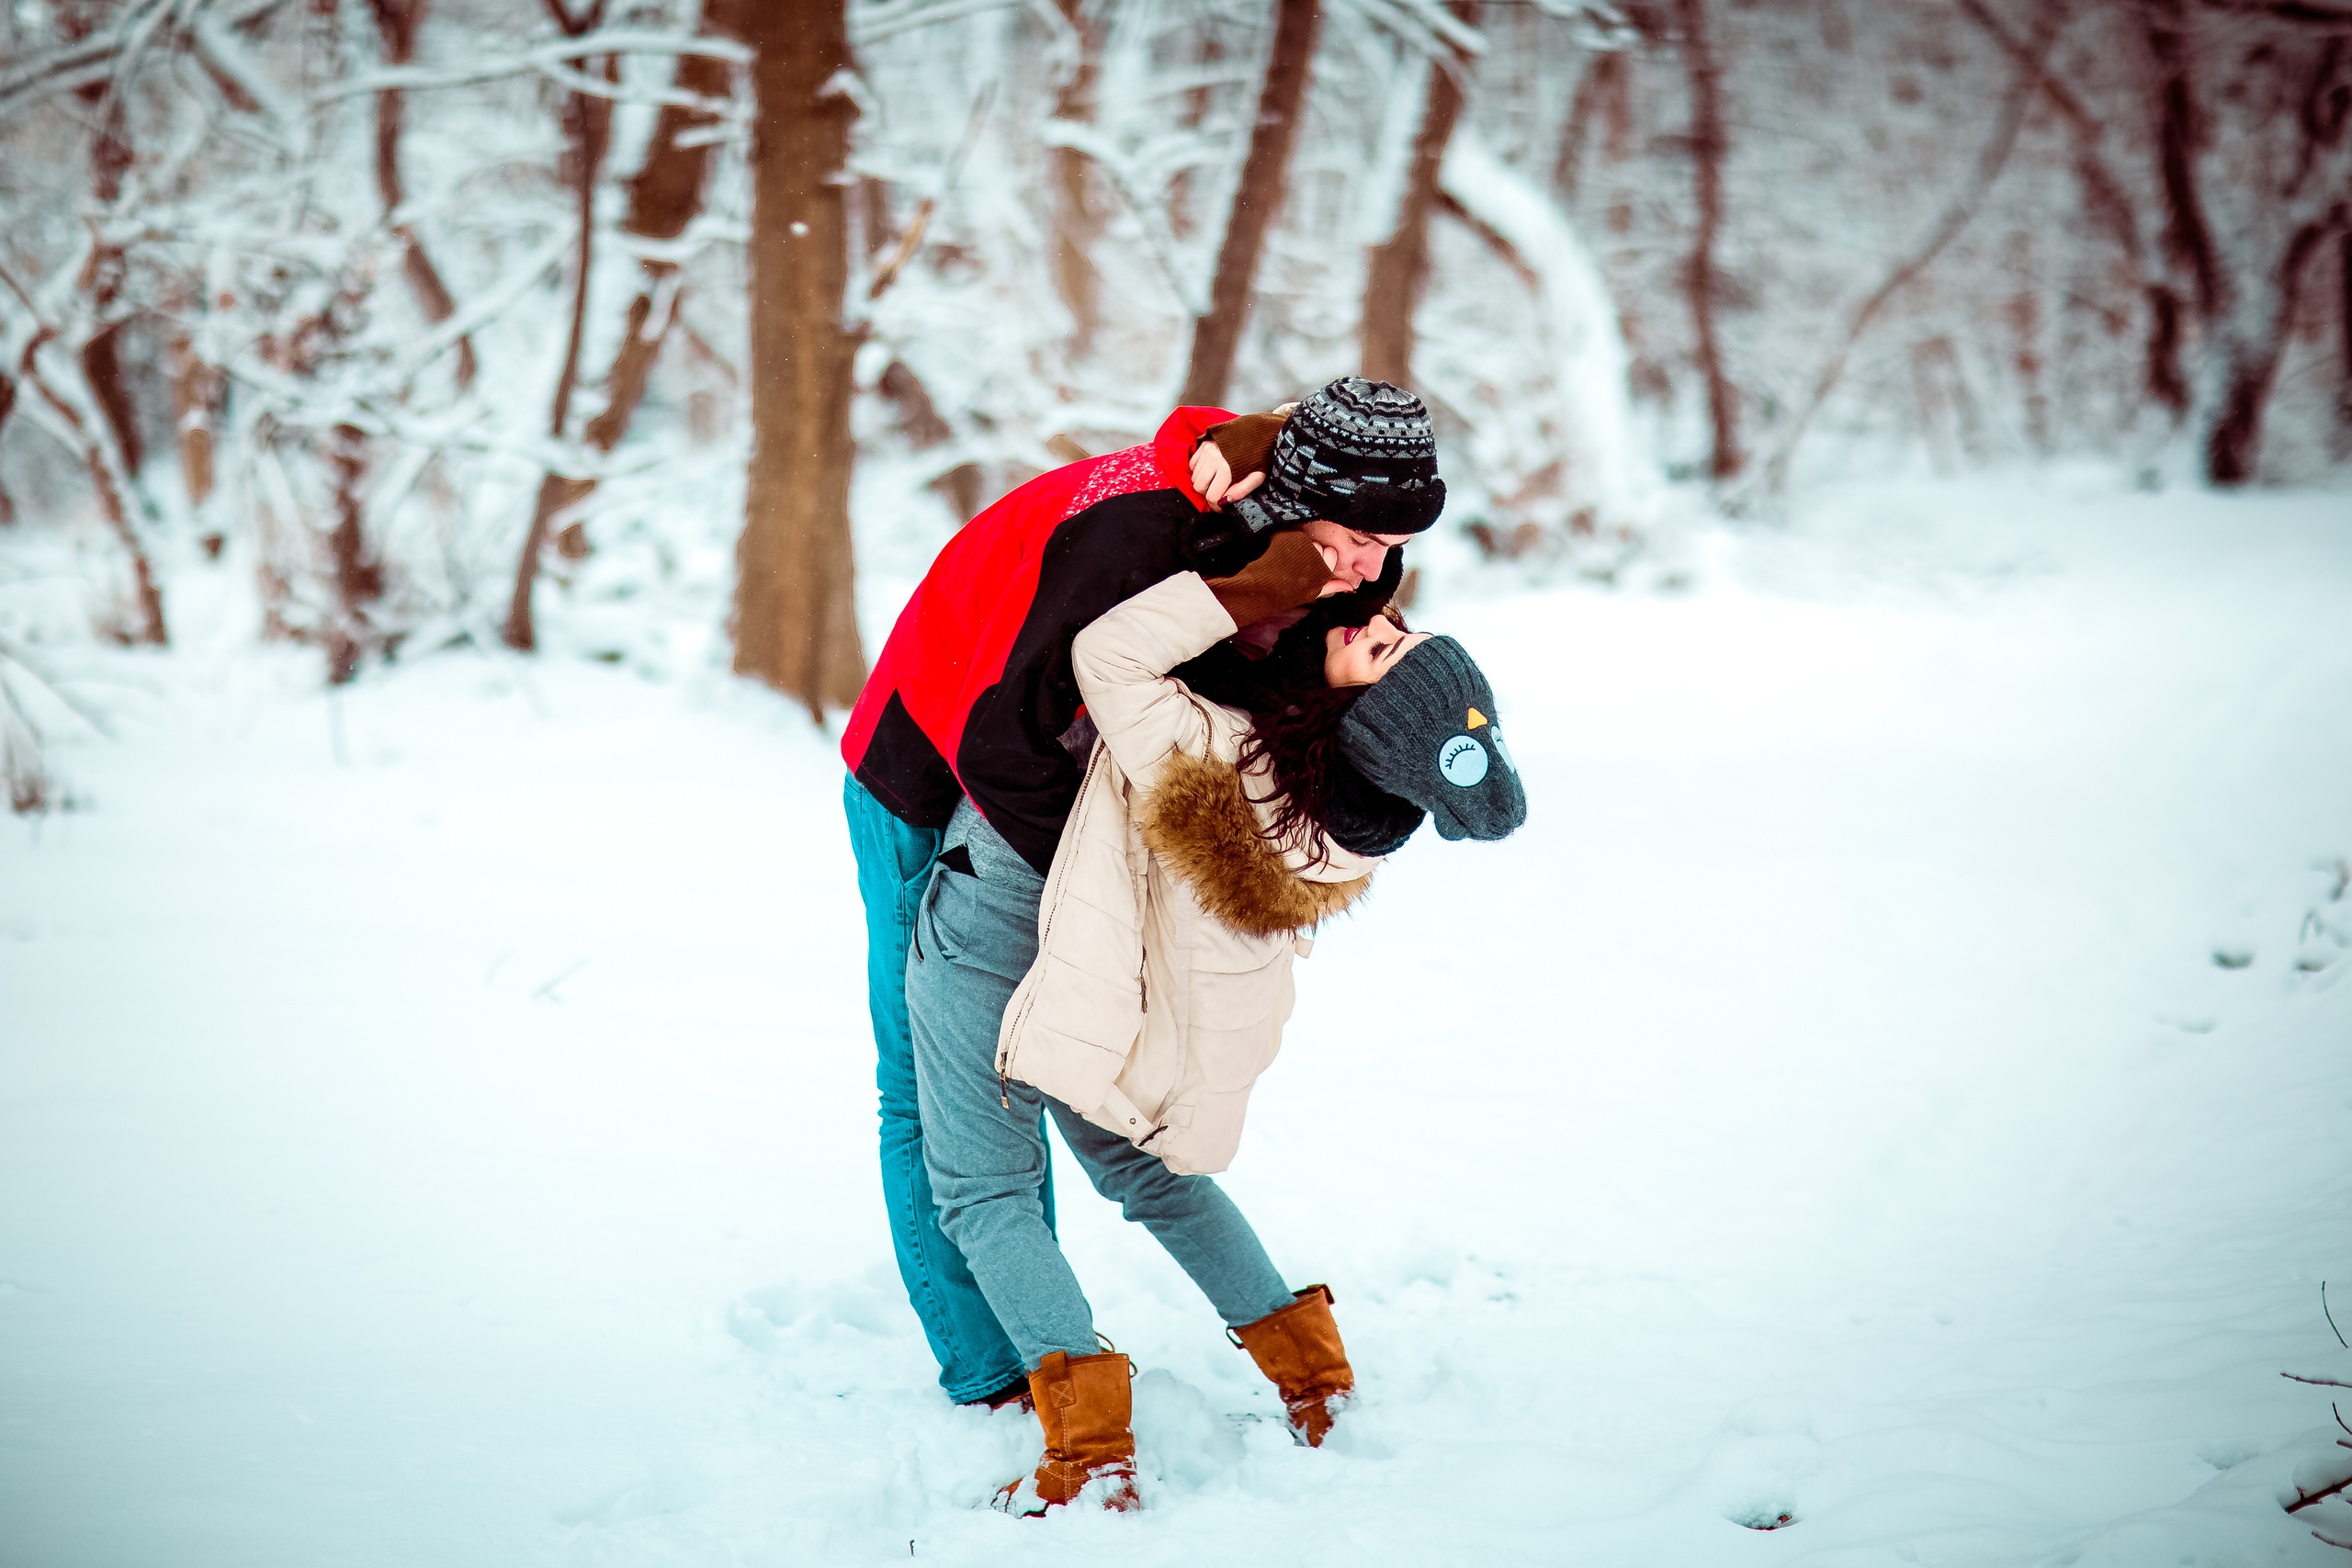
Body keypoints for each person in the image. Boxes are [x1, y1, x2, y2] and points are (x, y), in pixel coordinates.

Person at [843, 380, 1444, 1412]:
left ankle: (1026, 1377)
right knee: (986, 1106)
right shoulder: (1135, 544)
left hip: (1065, 832)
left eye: (1390, 545)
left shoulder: (1312, 570)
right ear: (1288, 496)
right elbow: (997, 741)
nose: (1369, 573)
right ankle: (1006, 1365)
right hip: (930, 759)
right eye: (1355, 537)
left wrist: (1109, 881)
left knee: (977, 1117)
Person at [910, 530, 1527, 1515]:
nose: (1369, 622)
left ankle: (1091, 1451)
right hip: (1128, 982)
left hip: (1015, 920)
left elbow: (1103, 656)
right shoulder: (1343, 823)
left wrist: (1251, 588)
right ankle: (1314, 1381)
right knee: (1147, 1173)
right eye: (1397, 627)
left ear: (1354, 718)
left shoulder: (1215, 749)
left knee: (984, 1189)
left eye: (1378, 650)